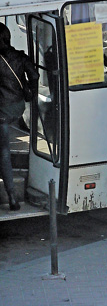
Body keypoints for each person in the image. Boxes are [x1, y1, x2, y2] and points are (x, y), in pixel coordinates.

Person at [0, 22, 38, 211]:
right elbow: (35, 76)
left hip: (2, 112)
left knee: (4, 152)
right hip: (17, 107)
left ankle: (12, 197)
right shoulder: (20, 57)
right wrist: (29, 92)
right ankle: (12, 198)